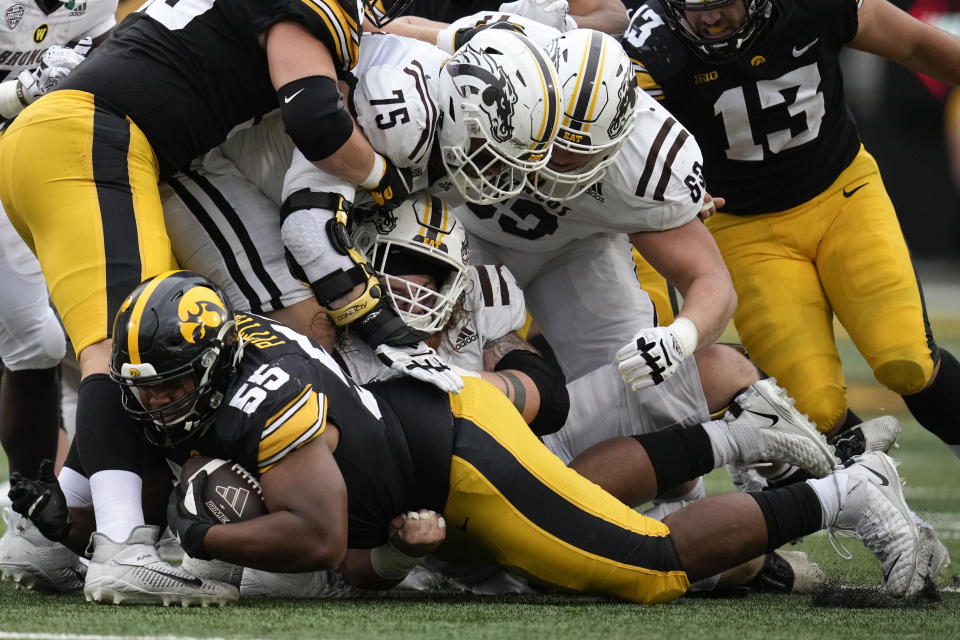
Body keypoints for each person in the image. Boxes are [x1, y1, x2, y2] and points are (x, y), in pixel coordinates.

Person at [10, 271, 942, 603]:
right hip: (417, 472)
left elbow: (321, 536)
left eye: (174, 380)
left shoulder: (261, 392)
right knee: (546, 559)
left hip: (455, 452)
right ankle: (738, 442)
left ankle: (847, 492)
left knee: (640, 564)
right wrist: (77, 507)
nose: (161, 400)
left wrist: (200, 531)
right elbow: (108, 421)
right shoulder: (165, 382)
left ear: (212, 363)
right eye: (147, 384)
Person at [0, 0, 430, 604]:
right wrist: (387, 175)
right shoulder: (304, 11)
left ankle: (48, 534)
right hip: (91, 138)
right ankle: (124, 547)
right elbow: (316, 117)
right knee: (122, 348)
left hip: (73, 136)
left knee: (126, 343)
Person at [622, 0, 960, 461]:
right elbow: (640, 146)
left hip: (842, 193)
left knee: (906, 359)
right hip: (746, 229)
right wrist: (676, 188)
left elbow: (913, 42)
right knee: (813, 410)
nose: (708, 18)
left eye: (721, 2)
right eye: (692, 6)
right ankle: (884, 503)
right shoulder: (652, 44)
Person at [0, 0, 117, 592]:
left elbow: (106, 46)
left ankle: (35, 514)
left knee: (65, 332)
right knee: (35, 340)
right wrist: (17, 92)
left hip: (36, 154)